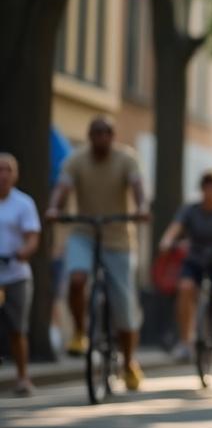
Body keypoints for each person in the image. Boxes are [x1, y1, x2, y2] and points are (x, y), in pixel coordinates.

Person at [46, 117, 149, 390]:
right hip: (84, 233)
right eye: (96, 132)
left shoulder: (126, 159)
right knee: (77, 279)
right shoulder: (76, 160)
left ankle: (129, 362)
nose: (101, 137)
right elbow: (62, 188)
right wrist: (54, 208)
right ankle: (80, 331)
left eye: (106, 132)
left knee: (124, 305)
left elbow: (137, 186)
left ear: (113, 136)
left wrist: (141, 207)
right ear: (89, 135)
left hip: (119, 238)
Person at [158, 169, 212, 366]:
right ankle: (185, 342)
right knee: (185, 287)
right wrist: (167, 241)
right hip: (195, 259)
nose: (210, 191)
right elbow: (174, 229)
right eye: (206, 187)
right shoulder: (190, 210)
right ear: (202, 188)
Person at [0, 154, 41, 396]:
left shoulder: (23, 203)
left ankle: (23, 377)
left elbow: (32, 237)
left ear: (15, 175)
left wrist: (24, 252)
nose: (3, 175)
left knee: (17, 328)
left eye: (8, 170)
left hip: (16, 274)